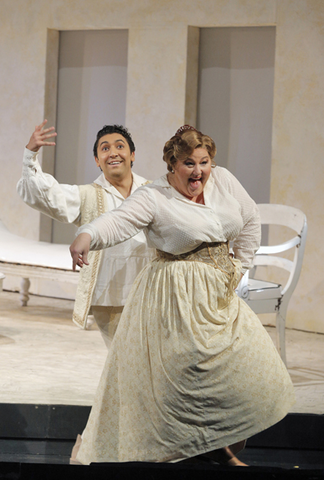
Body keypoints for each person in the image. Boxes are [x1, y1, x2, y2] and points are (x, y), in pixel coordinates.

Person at [69, 125, 295, 466]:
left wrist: (240, 266)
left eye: (204, 162)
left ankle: (225, 448)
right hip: (174, 296)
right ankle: (207, 454)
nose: (199, 171)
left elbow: (249, 220)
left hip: (218, 293)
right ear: (172, 165)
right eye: (189, 163)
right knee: (188, 377)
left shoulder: (223, 181)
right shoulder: (153, 195)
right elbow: (117, 221)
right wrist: (86, 235)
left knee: (247, 368)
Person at [17, 120, 155, 348]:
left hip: (152, 293)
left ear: (132, 155)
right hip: (110, 296)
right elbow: (41, 194)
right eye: (105, 148)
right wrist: (30, 154)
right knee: (123, 362)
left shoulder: (153, 191)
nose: (113, 153)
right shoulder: (87, 195)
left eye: (120, 146)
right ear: (97, 160)